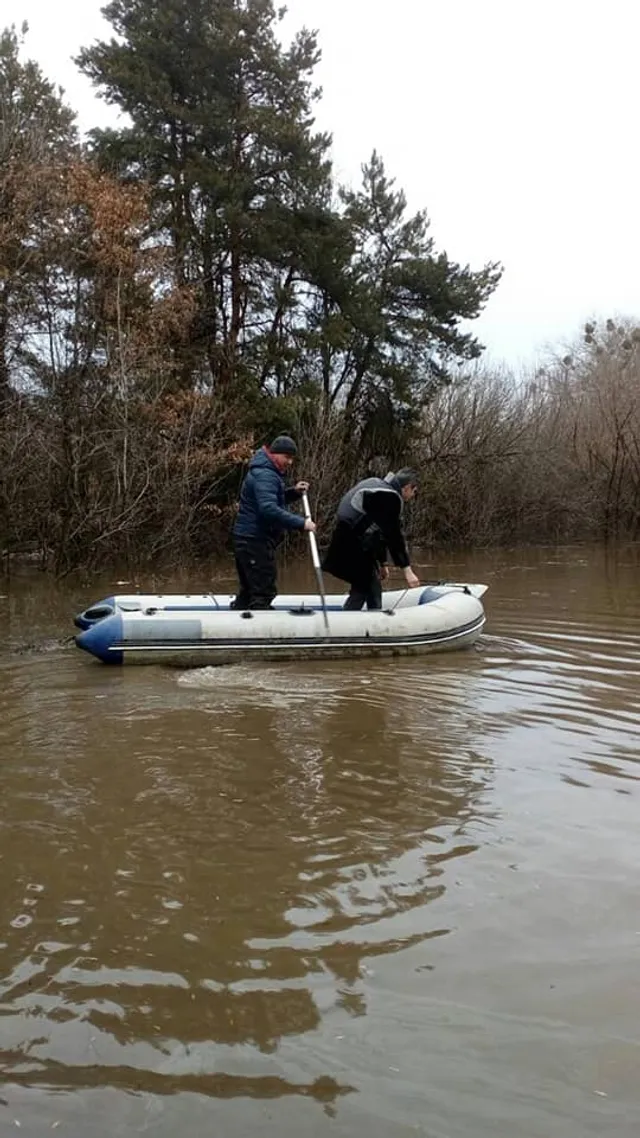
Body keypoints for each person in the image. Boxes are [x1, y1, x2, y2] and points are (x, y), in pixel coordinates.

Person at [230, 435, 316, 610]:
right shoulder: (266, 475)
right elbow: (268, 508)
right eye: (287, 457)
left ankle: (240, 623)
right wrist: (302, 523)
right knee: (264, 591)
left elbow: (272, 498)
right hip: (254, 540)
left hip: (247, 539)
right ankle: (259, 629)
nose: (290, 462)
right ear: (275, 454)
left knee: (249, 590)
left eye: (292, 458)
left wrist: (294, 492)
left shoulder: (265, 471)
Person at [322, 468, 420, 610]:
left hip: (349, 542)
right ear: (407, 488)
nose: (413, 496)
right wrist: (407, 571)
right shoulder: (389, 496)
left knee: (369, 584)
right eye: (414, 492)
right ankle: (354, 622)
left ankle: (372, 616)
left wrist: (383, 563)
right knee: (366, 584)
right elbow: (393, 536)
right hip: (348, 544)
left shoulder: (377, 486)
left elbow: (376, 532)